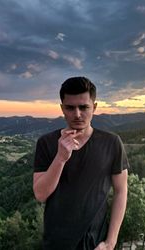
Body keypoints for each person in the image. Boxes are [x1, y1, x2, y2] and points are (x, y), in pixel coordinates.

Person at [33, 76, 129, 250]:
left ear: (95, 107)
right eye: (70, 108)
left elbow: (121, 191)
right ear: (62, 109)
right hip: (56, 243)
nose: (77, 114)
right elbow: (40, 195)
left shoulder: (112, 143)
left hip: (95, 243)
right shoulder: (46, 143)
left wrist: (110, 242)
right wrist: (60, 157)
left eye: (83, 107)